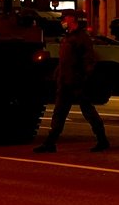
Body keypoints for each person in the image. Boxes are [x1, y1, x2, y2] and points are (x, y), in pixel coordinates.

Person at [34, 11, 110, 153]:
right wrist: (58, 74)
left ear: (73, 20)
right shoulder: (68, 37)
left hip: (77, 81)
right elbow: (65, 60)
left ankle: (102, 139)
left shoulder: (81, 38)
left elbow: (88, 60)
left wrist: (84, 78)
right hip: (65, 81)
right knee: (59, 113)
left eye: (66, 17)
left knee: (88, 112)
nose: (63, 20)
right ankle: (50, 143)